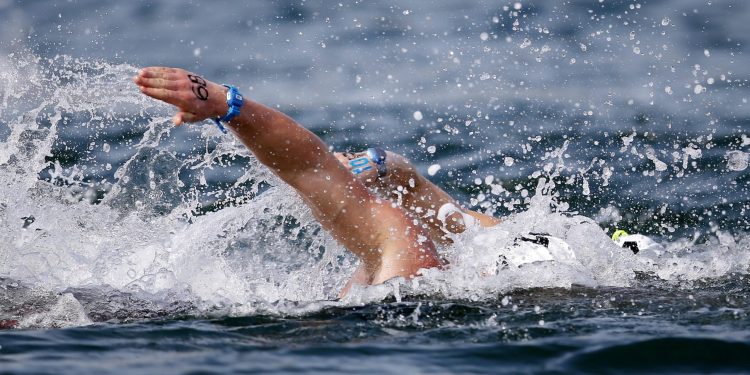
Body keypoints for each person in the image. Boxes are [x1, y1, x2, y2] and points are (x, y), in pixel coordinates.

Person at [134, 67, 498, 297]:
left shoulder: (407, 251)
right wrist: (384, 166)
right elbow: (461, 223)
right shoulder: (499, 261)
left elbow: (311, 168)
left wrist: (226, 104)